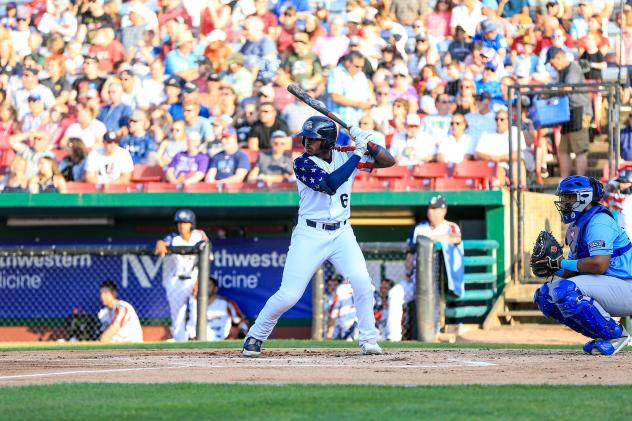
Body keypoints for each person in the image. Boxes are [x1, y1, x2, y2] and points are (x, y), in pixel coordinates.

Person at [242, 115, 396, 357]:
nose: (306, 142)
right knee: (289, 295)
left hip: (342, 231)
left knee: (362, 282)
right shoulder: (302, 163)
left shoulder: (346, 153)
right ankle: (255, 336)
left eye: (312, 139)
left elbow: (388, 161)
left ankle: (368, 340)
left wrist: (366, 141)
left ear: (327, 141)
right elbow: (330, 184)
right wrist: (357, 152)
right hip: (310, 233)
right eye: (305, 138)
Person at [533, 176, 632, 356]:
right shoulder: (576, 227)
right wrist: (554, 267)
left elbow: (599, 265)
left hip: (626, 284)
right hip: (612, 285)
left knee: (564, 290)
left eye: (569, 197)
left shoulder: (599, 221)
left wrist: (560, 262)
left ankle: (615, 335)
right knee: (545, 295)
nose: (564, 202)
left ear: (584, 197)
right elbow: (576, 270)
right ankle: (602, 335)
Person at [387, 195, 462, 342]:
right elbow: (409, 252)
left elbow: (456, 238)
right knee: (395, 293)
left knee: (433, 314)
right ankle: (392, 338)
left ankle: (432, 340)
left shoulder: (450, 227)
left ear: (443, 211)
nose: (431, 212)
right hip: (415, 280)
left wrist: (435, 238)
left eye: (435, 209)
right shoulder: (419, 228)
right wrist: (408, 270)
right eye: (430, 208)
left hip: (437, 283)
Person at [155, 209, 209, 342]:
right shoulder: (173, 238)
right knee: (177, 316)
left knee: (196, 310)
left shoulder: (199, 235)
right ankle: (180, 343)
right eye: (179, 222)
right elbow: (162, 243)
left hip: (193, 278)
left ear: (191, 224)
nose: (181, 225)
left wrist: (199, 282)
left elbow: (206, 256)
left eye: (185, 222)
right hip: (176, 280)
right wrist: (160, 244)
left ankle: (193, 336)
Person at [546, 46, 593, 178]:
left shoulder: (573, 68)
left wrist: (549, 93)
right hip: (567, 112)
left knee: (580, 149)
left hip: (579, 111)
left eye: (552, 63)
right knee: (563, 150)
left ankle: (581, 182)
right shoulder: (562, 71)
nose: (552, 66)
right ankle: (564, 181)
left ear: (559, 58)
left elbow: (568, 88)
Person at [185, 277, 250, 341]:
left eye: (208, 285)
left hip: (220, 341)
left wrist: (234, 334)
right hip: (194, 341)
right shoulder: (192, 303)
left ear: (215, 289)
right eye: (203, 285)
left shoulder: (226, 303)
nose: (205, 288)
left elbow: (243, 322)